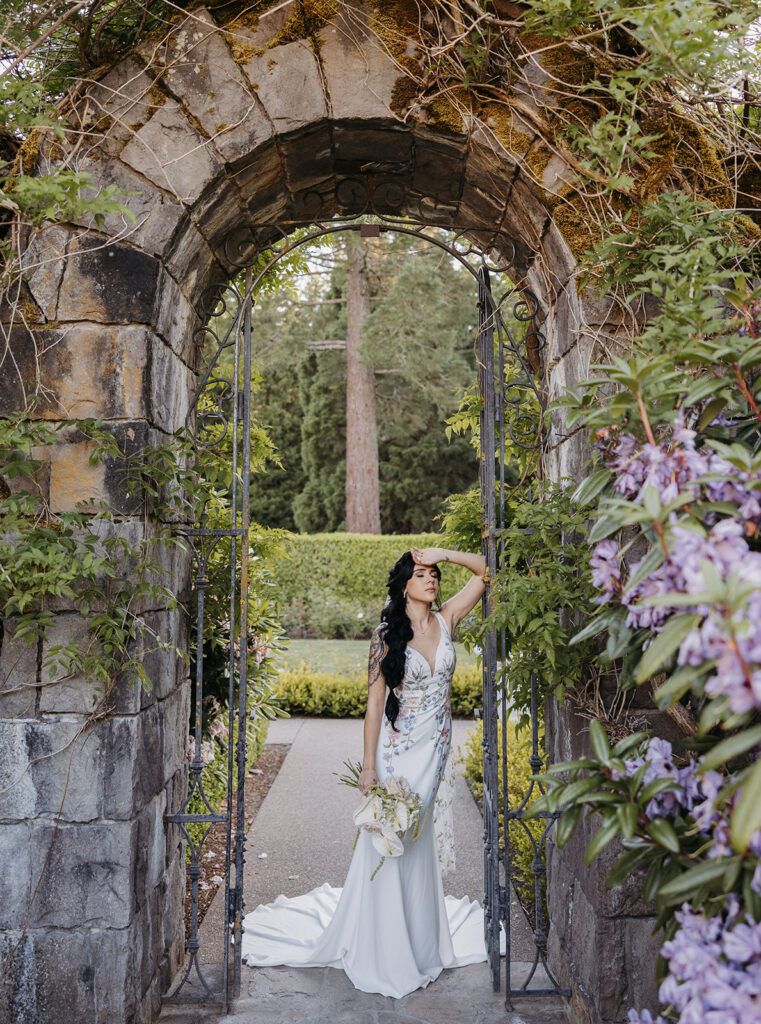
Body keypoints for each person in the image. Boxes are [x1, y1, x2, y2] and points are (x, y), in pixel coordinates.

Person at [240, 545, 490, 998]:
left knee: (418, 844)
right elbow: (375, 703)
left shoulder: (447, 618)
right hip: (398, 756)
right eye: (420, 573)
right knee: (388, 842)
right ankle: (384, 949)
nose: (430, 580)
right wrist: (370, 767)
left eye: (434, 574)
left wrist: (444, 555)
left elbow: (487, 570)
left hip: (434, 756)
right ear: (403, 585)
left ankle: (420, 942)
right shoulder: (385, 635)